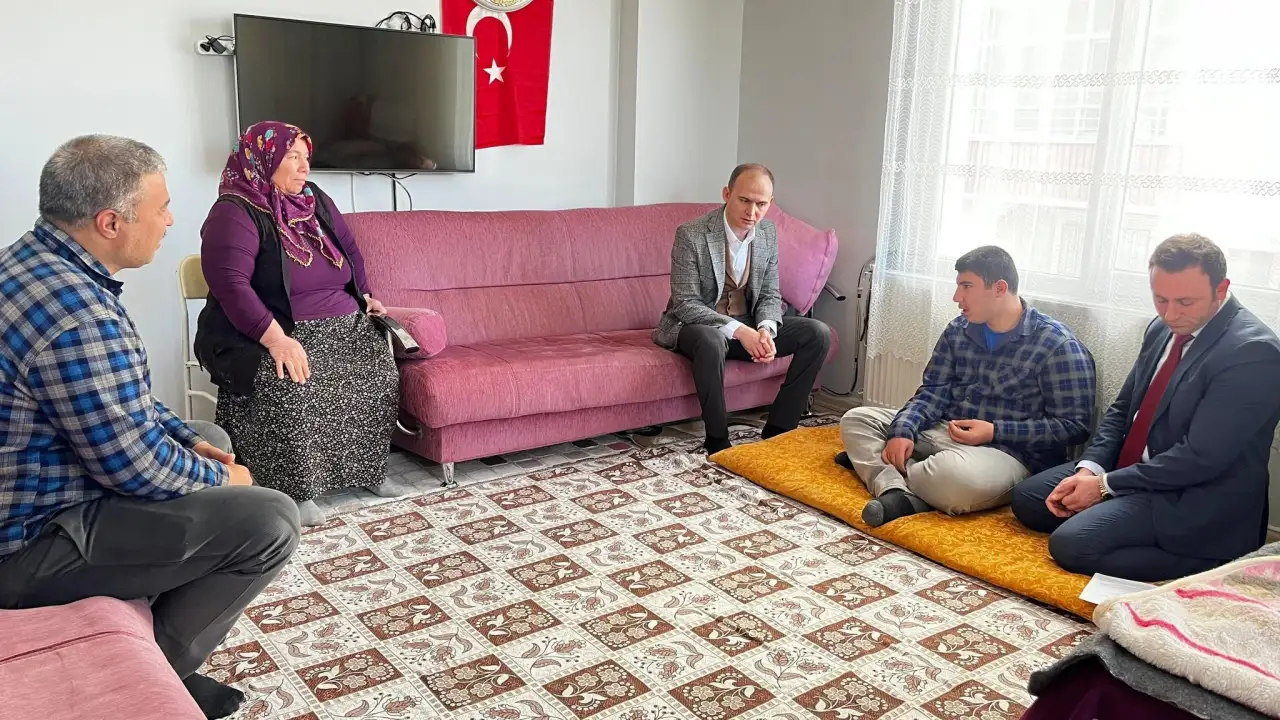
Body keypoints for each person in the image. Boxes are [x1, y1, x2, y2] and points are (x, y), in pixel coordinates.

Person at [0, 135, 300, 720]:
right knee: (269, 519)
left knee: (211, 438)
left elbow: (124, 400)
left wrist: (192, 444)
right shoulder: (76, 314)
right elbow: (135, 467)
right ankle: (152, 673)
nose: (169, 221)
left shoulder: (40, 266)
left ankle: (152, 652)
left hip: (43, 497)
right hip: (26, 546)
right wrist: (228, 480)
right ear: (110, 222)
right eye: (160, 208)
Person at [1012, 234, 1280, 581]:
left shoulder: (1253, 351)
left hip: (1192, 493)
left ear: (1221, 288)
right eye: (1160, 299)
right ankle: (1115, 510)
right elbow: (1123, 409)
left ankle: (1216, 560)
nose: (1171, 314)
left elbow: (1201, 458)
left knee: (1071, 546)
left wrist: (1106, 486)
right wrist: (1090, 471)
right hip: (1137, 469)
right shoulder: (1161, 328)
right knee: (1029, 500)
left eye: (1185, 301)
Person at [195, 121, 406, 527]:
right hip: (270, 329)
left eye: (306, 157)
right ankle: (294, 487)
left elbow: (350, 250)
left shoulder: (314, 199)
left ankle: (366, 471)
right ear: (262, 159)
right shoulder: (235, 210)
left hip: (342, 318)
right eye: (292, 156)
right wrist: (277, 340)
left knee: (377, 371)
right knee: (292, 380)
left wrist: (365, 295)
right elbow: (231, 284)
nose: (304, 166)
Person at [838, 246, 1097, 527]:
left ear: (999, 288)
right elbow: (933, 391)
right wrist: (902, 430)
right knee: (857, 420)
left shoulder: (1057, 345)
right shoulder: (958, 330)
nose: (956, 297)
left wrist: (994, 431)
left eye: (967, 286)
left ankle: (881, 468)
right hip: (945, 430)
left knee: (954, 478)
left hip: (1007, 454)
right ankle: (898, 488)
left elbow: (1074, 427)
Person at [653, 163, 832, 454]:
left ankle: (779, 431)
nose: (752, 212)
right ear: (727, 194)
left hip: (747, 325)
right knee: (712, 340)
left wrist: (765, 330)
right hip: (696, 328)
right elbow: (686, 304)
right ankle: (718, 442)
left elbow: (770, 294)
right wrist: (741, 332)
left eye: (761, 204)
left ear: (771, 203)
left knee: (818, 333)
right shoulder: (691, 234)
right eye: (744, 200)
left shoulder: (767, 233)